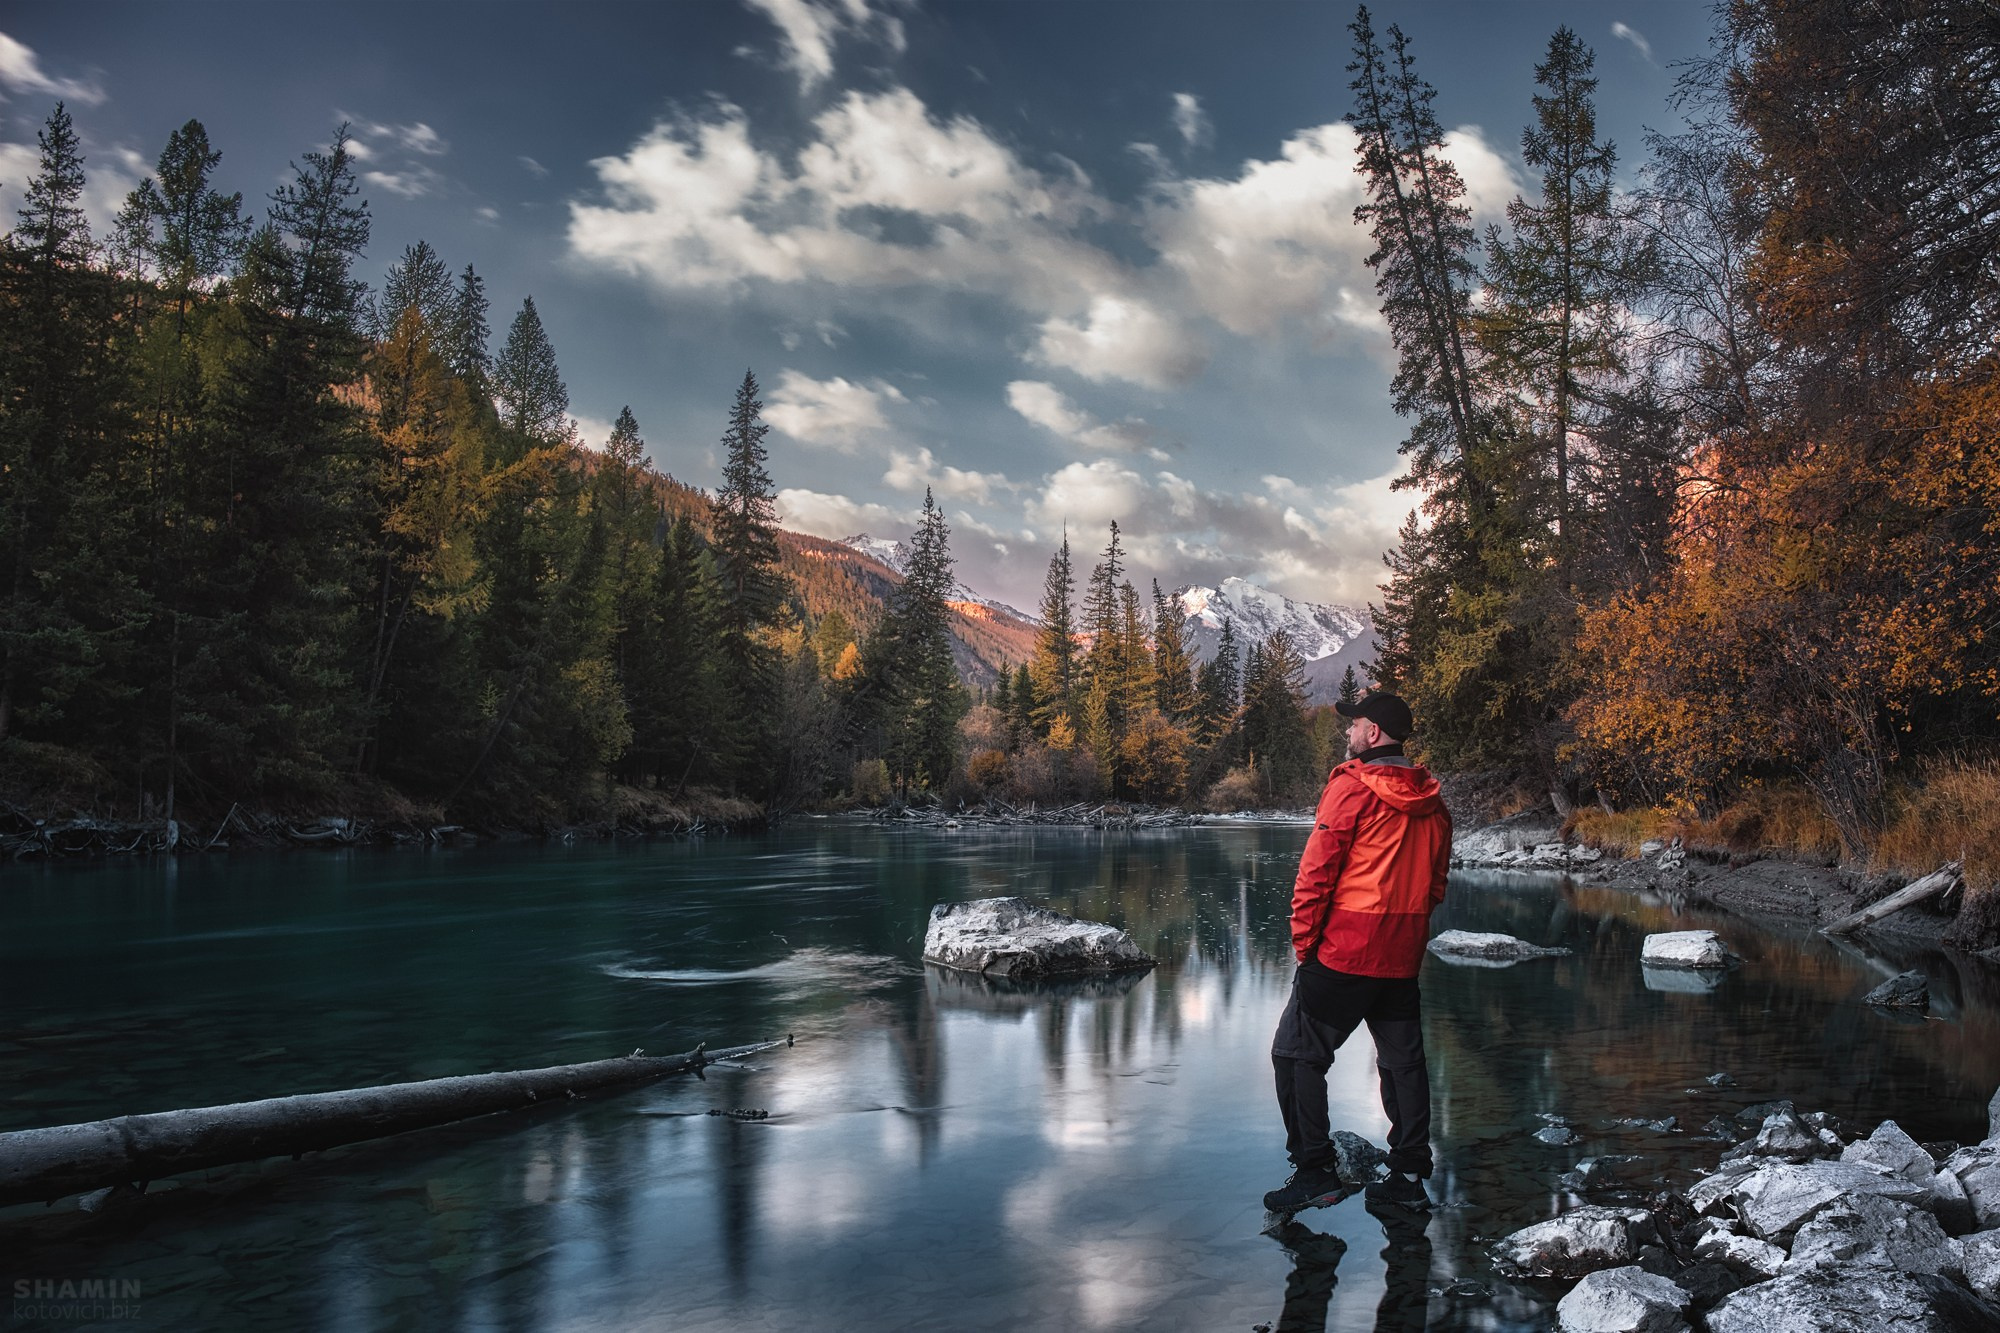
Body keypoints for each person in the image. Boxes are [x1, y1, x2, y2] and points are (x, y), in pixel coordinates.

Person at [1263, 690, 1452, 1213]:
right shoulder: (1432, 801)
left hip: (1345, 951)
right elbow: (1436, 884)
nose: (1348, 732)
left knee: (1296, 1055)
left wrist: (1305, 944)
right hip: (1402, 953)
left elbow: (1316, 873)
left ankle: (1315, 1171)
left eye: (1355, 724)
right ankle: (1410, 1174)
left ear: (1373, 733)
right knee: (1402, 1062)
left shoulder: (1351, 788)